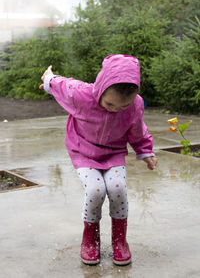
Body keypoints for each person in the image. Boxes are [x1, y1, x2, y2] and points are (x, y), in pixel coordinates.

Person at [39, 54, 157, 266]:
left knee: (117, 187)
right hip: (83, 151)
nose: (116, 109)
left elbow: (138, 131)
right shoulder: (80, 95)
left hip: (113, 153)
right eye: (111, 104)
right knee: (95, 190)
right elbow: (62, 84)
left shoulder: (135, 105)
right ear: (101, 88)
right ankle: (90, 239)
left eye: (123, 106)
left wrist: (146, 151)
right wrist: (48, 79)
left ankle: (120, 240)